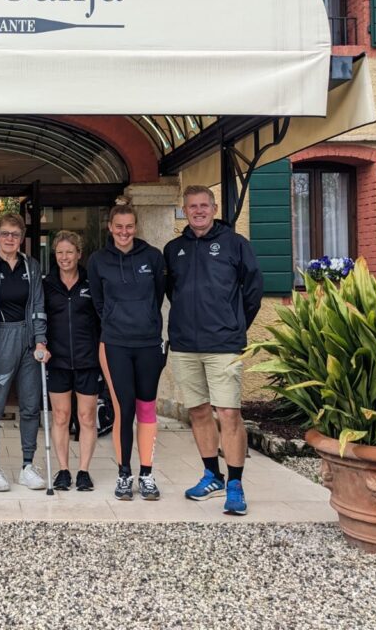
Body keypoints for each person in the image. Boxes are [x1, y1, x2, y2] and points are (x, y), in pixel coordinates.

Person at [164, 185, 263, 515]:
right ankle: (211, 475)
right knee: (198, 411)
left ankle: (235, 483)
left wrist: (235, 325)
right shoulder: (174, 248)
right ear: (185, 210)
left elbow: (253, 291)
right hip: (185, 345)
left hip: (223, 345)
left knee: (229, 413)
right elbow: (171, 292)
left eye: (204, 205)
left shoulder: (235, 244)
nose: (198, 211)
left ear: (214, 207)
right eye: (192, 206)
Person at [88, 203, 167, 502]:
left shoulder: (152, 257)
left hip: (147, 342)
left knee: (147, 407)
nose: (124, 232)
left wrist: (145, 319)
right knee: (123, 409)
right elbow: (98, 301)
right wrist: (114, 319)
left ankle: (146, 473)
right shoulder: (98, 261)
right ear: (110, 227)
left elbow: (157, 295)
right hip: (115, 343)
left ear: (136, 227)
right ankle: (124, 473)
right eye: (118, 226)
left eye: (129, 226)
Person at [0, 213, 50, 492]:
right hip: (0, 336)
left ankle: (28, 465)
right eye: (5, 233)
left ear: (22, 238)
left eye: (15, 235)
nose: (9, 239)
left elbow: (39, 305)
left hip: (28, 339)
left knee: (30, 405)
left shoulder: (31, 265)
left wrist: (41, 341)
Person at [42, 230, 101, 492]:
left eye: (69, 252)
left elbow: (102, 318)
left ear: (79, 254)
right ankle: (64, 470)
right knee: (61, 416)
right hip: (58, 360)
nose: (64, 257)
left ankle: (84, 471)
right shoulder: (47, 284)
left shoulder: (92, 282)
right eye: (59, 253)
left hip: (88, 359)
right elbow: (39, 319)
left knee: (87, 417)